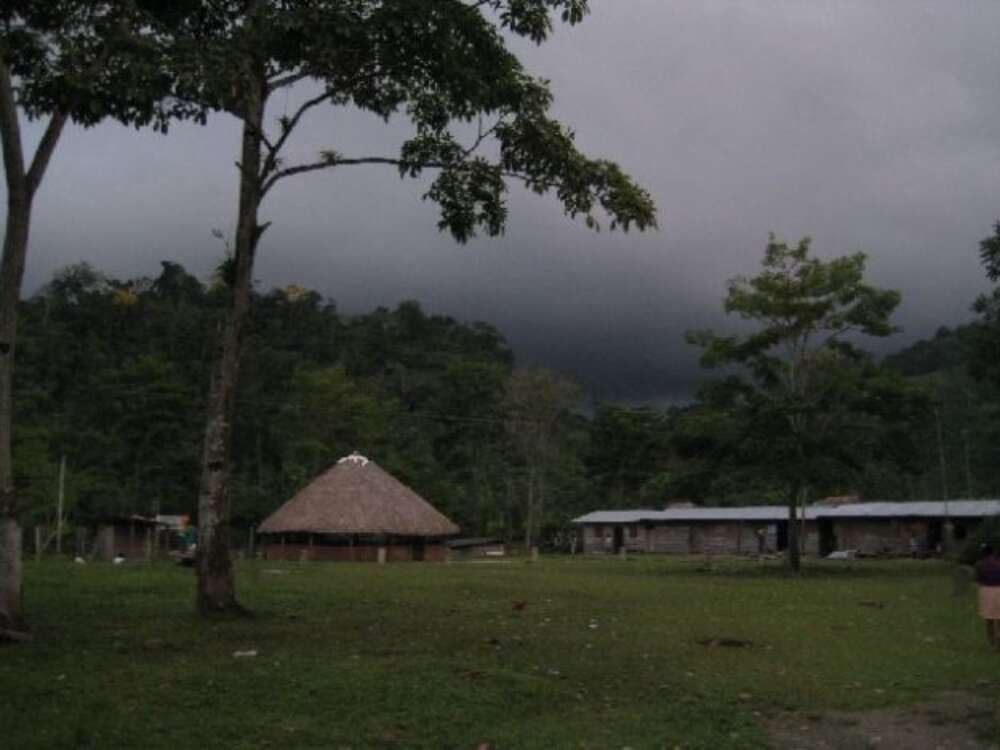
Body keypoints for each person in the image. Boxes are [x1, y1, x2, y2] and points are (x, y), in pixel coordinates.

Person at [974, 543, 1000, 650]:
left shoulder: (979, 564)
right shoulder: (998, 563)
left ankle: (992, 643)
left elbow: (978, 579)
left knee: (989, 619)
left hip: (986, 590)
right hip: (998, 589)